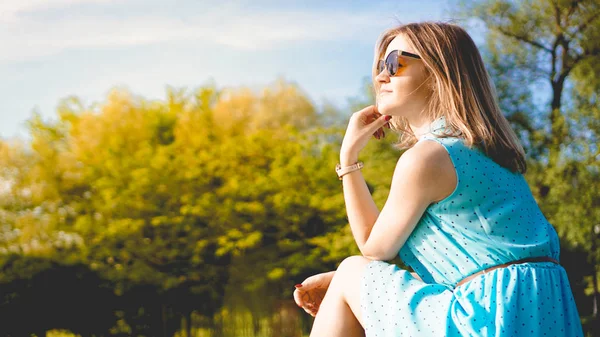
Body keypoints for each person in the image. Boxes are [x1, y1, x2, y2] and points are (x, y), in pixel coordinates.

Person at [292, 21, 584, 337]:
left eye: (395, 63)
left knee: (352, 271)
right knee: (350, 277)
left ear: (436, 73)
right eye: (381, 65)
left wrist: (348, 159)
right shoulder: (489, 155)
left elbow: (373, 249)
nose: (380, 76)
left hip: (485, 316)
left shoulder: (428, 158)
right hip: (535, 314)